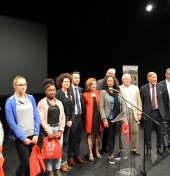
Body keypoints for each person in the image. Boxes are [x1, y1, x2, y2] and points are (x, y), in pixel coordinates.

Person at [5, 76, 40, 176]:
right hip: (21, 137)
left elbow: (36, 117)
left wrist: (36, 134)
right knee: (25, 163)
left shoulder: (31, 98)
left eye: (25, 84)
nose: (23, 87)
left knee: (31, 163)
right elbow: (11, 123)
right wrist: (23, 138)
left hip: (32, 135)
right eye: (20, 85)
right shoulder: (10, 101)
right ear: (15, 86)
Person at [37, 78, 65, 176]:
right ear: (46, 92)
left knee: (58, 150)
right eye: (50, 90)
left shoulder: (59, 102)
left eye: (53, 90)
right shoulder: (41, 103)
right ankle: (50, 171)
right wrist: (49, 132)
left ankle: (57, 169)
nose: (52, 92)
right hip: (47, 130)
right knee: (48, 152)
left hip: (58, 129)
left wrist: (61, 130)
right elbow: (41, 119)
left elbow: (62, 117)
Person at [140, 72, 166, 157]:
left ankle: (159, 148)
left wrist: (163, 111)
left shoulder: (161, 87)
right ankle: (148, 149)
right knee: (148, 133)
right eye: (153, 77)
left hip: (159, 113)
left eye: (156, 77)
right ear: (148, 79)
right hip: (149, 113)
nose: (155, 79)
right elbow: (141, 101)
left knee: (160, 132)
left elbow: (164, 100)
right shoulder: (143, 88)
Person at [119, 73, 142, 156]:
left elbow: (139, 101)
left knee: (135, 131)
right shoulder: (119, 88)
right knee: (123, 132)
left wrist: (139, 112)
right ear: (122, 80)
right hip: (124, 112)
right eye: (126, 79)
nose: (128, 80)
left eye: (129, 79)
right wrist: (123, 115)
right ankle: (122, 150)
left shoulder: (135, 88)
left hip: (134, 112)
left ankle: (134, 149)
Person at [55, 73, 74, 172]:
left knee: (66, 143)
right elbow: (59, 110)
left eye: (68, 82)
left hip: (69, 121)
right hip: (62, 122)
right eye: (65, 81)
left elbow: (73, 108)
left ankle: (65, 162)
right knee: (62, 143)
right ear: (61, 83)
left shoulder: (70, 93)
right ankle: (61, 163)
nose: (67, 83)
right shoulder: (58, 94)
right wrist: (66, 121)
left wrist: (71, 120)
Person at [100, 75, 121, 164]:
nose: (110, 82)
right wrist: (104, 119)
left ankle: (112, 152)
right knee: (109, 136)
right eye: (108, 81)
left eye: (112, 80)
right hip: (108, 118)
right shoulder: (103, 92)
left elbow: (121, 103)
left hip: (117, 117)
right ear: (106, 82)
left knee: (113, 136)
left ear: (114, 81)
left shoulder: (117, 91)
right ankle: (111, 155)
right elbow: (101, 107)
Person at [67, 71, 86, 165]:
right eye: (75, 78)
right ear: (71, 79)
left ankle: (77, 155)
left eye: (78, 78)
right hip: (72, 117)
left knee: (78, 137)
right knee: (72, 137)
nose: (77, 79)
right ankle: (70, 157)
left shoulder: (81, 90)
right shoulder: (68, 89)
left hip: (80, 116)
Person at [83, 78, 104, 161]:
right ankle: (90, 153)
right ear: (89, 85)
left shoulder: (99, 93)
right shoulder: (85, 95)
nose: (94, 85)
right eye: (92, 84)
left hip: (98, 117)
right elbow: (83, 108)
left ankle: (96, 151)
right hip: (89, 118)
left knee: (98, 135)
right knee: (89, 135)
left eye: (95, 84)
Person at [96, 68, 117, 153]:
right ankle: (96, 149)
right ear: (106, 73)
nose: (111, 75)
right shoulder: (99, 82)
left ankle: (105, 146)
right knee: (99, 132)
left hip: (112, 114)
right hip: (101, 110)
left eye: (113, 74)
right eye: (110, 73)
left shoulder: (115, 87)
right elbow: (97, 95)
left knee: (109, 133)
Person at [159, 68, 170, 153]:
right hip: (165, 110)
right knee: (164, 129)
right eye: (169, 74)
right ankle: (166, 146)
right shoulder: (161, 85)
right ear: (166, 75)